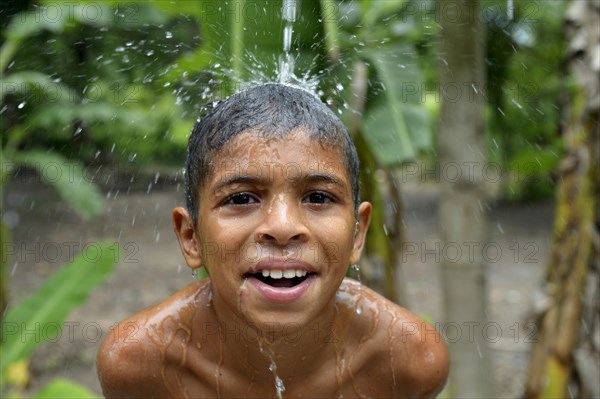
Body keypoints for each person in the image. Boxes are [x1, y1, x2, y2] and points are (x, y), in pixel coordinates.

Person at [97, 83, 449, 398]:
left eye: (319, 198)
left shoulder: (406, 361)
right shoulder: (141, 364)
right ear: (191, 237)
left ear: (358, 233)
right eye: (240, 199)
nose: (282, 227)